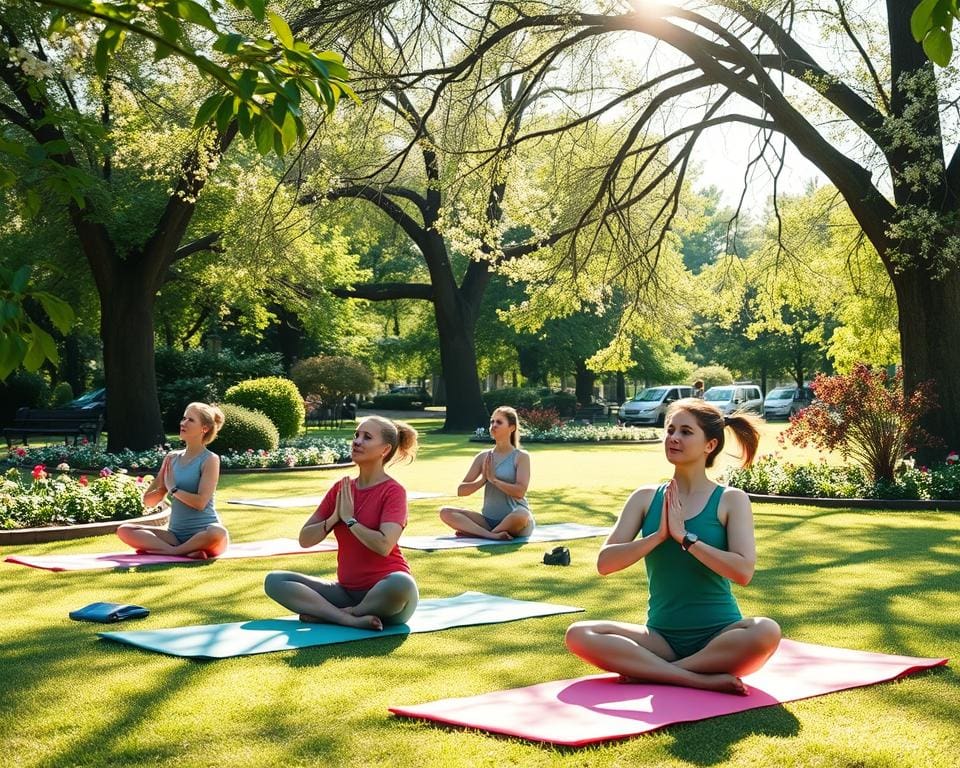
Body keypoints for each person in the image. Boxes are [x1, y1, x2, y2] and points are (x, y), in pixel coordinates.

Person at [565, 398, 781, 695]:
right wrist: (657, 536)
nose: (674, 438)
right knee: (579, 633)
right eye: (670, 430)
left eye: (686, 432)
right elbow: (605, 563)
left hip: (719, 638)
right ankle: (695, 678)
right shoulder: (645, 498)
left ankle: (655, 672)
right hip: (660, 639)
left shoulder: (731, 499)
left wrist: (686, 538)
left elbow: (743, 572)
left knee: (766, 630)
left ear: (710, 445)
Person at [264, 416, 419, 630]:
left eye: (367, 437)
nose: (357, 441)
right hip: (346, 592)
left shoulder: (393, 491)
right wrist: (334, 517)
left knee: (402, 583)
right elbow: (305, 540)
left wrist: (350, 520)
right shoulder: (342, 489)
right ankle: (346, 618)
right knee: (275, 581)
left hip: (388, 597)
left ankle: (343, 614)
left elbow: (384, 546)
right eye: (356, 435)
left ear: (384, 450)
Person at [117, 402, 228, 559]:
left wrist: (174, 489)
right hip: (175, 536)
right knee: (125, 530)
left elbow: (200, 503)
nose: (183, 423)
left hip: (205, 533)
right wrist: (163, 489)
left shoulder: (210, 459)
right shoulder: (171, 458)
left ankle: (172, 551)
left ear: (205, 428)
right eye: (184, 418)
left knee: (219, 532)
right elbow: (148, 502)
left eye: (191, 420)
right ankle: (185, 551)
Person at [439, 406, 534, 540]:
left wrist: (495, 480)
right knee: (445, 512)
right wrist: (483, 479)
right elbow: (461, 490)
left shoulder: (521, 456)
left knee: (522, 514)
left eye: (499, 422)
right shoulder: (483, 457)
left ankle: (479, 533)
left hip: (515, 520)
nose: (494, 425)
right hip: (487, 521)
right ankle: (492, 535)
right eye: (492, 422)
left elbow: (520, 492)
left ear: (512, 428)